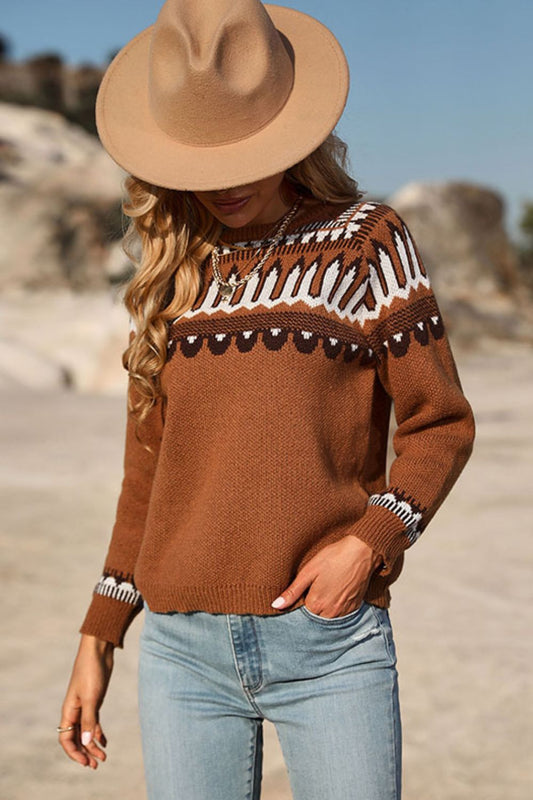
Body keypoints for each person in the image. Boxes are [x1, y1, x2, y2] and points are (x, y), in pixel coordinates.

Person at [57, 1, 475, 798]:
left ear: (294, 131)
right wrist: (100, 632)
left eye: (243, 153)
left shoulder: (366, 241)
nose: (220, 185)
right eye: (199, 161)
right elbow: (148, 478)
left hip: (327, 643)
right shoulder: (175, 269)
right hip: (181, 654)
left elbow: (439, 426)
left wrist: (366, 545)